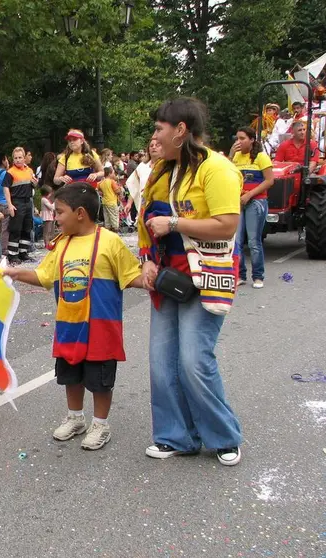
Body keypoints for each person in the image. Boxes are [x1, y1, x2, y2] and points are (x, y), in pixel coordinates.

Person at [138, 97, 244, 466]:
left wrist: (177, 224)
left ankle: (223, 435)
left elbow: (227, 223)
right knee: (161, 362)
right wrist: (148, 260)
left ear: (181, 130)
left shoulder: (218, 169)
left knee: (193, 361)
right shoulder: (162, 170)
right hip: (168, 279)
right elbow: (147, 222)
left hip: (207, 278)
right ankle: (175, 436)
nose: (155, 135)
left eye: (159, 128)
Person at [4, 184, 144, 450]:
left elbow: (131, 275)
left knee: (100, 379)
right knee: (71, 374)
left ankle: (100, 423)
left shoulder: (110, 241)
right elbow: (44, 276)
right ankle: (76, 417)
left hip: (101, 326)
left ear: (80, 213)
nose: (55, 218)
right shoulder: (61, 246)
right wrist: (15, 273)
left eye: (59, 212)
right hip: (69, 325)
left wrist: (152, 279)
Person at [230, 126, 274, 289]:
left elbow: (269, 180)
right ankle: (240, 274)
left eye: (242, 138)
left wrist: (249, 194)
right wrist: (230, 155)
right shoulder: (235, 156)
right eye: (237, 139)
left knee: (254, 241)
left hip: (256, 201)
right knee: (237, 241)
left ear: (252, 140)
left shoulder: (261, 157)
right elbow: (225, 174)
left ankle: (258, 275)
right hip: (238, 201)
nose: (238, 142)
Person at [3, 147, 37, 264]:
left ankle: (23, 252)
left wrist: (35, 183)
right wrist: (10, 205)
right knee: (15, 228)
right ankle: (12, 255)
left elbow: (33, 185)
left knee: (27, 228)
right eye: (15, 158)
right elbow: (6, 188)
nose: (18, 160)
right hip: (17, 201)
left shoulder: (29, 171)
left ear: (24, 158)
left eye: (20, 157)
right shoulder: (10, 172)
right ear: (13, 159)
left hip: (28, 201)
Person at [98, 166, 122, 232]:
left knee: (107, 219)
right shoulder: (112, 182)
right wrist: (120, 188)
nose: (114, 174)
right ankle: (115, 231)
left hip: (105, 202)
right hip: (112, 202)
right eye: (113, 173)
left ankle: (108, 231)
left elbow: (99, 191)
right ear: (109, 174)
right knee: (114, 218)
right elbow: (117, 191)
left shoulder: (101, 182)